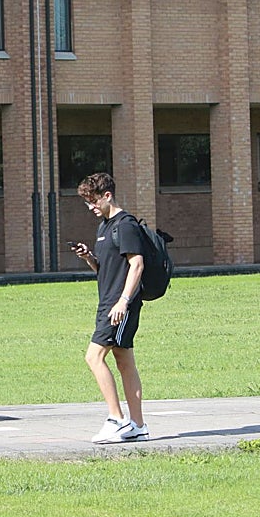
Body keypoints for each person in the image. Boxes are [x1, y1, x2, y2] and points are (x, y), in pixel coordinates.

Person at [71, 172, 149, 443]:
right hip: (107, 302)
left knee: (93, 357)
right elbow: (107, 268)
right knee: (124, 361)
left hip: (120, 304)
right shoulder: (104, 226)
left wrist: (123, 302)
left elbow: (136, 264)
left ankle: (116, 419)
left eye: (94, 202)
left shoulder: (125, 225)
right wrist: (89, 258)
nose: (91, 208)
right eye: (87, 204)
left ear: (107, 196)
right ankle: (138, 425)